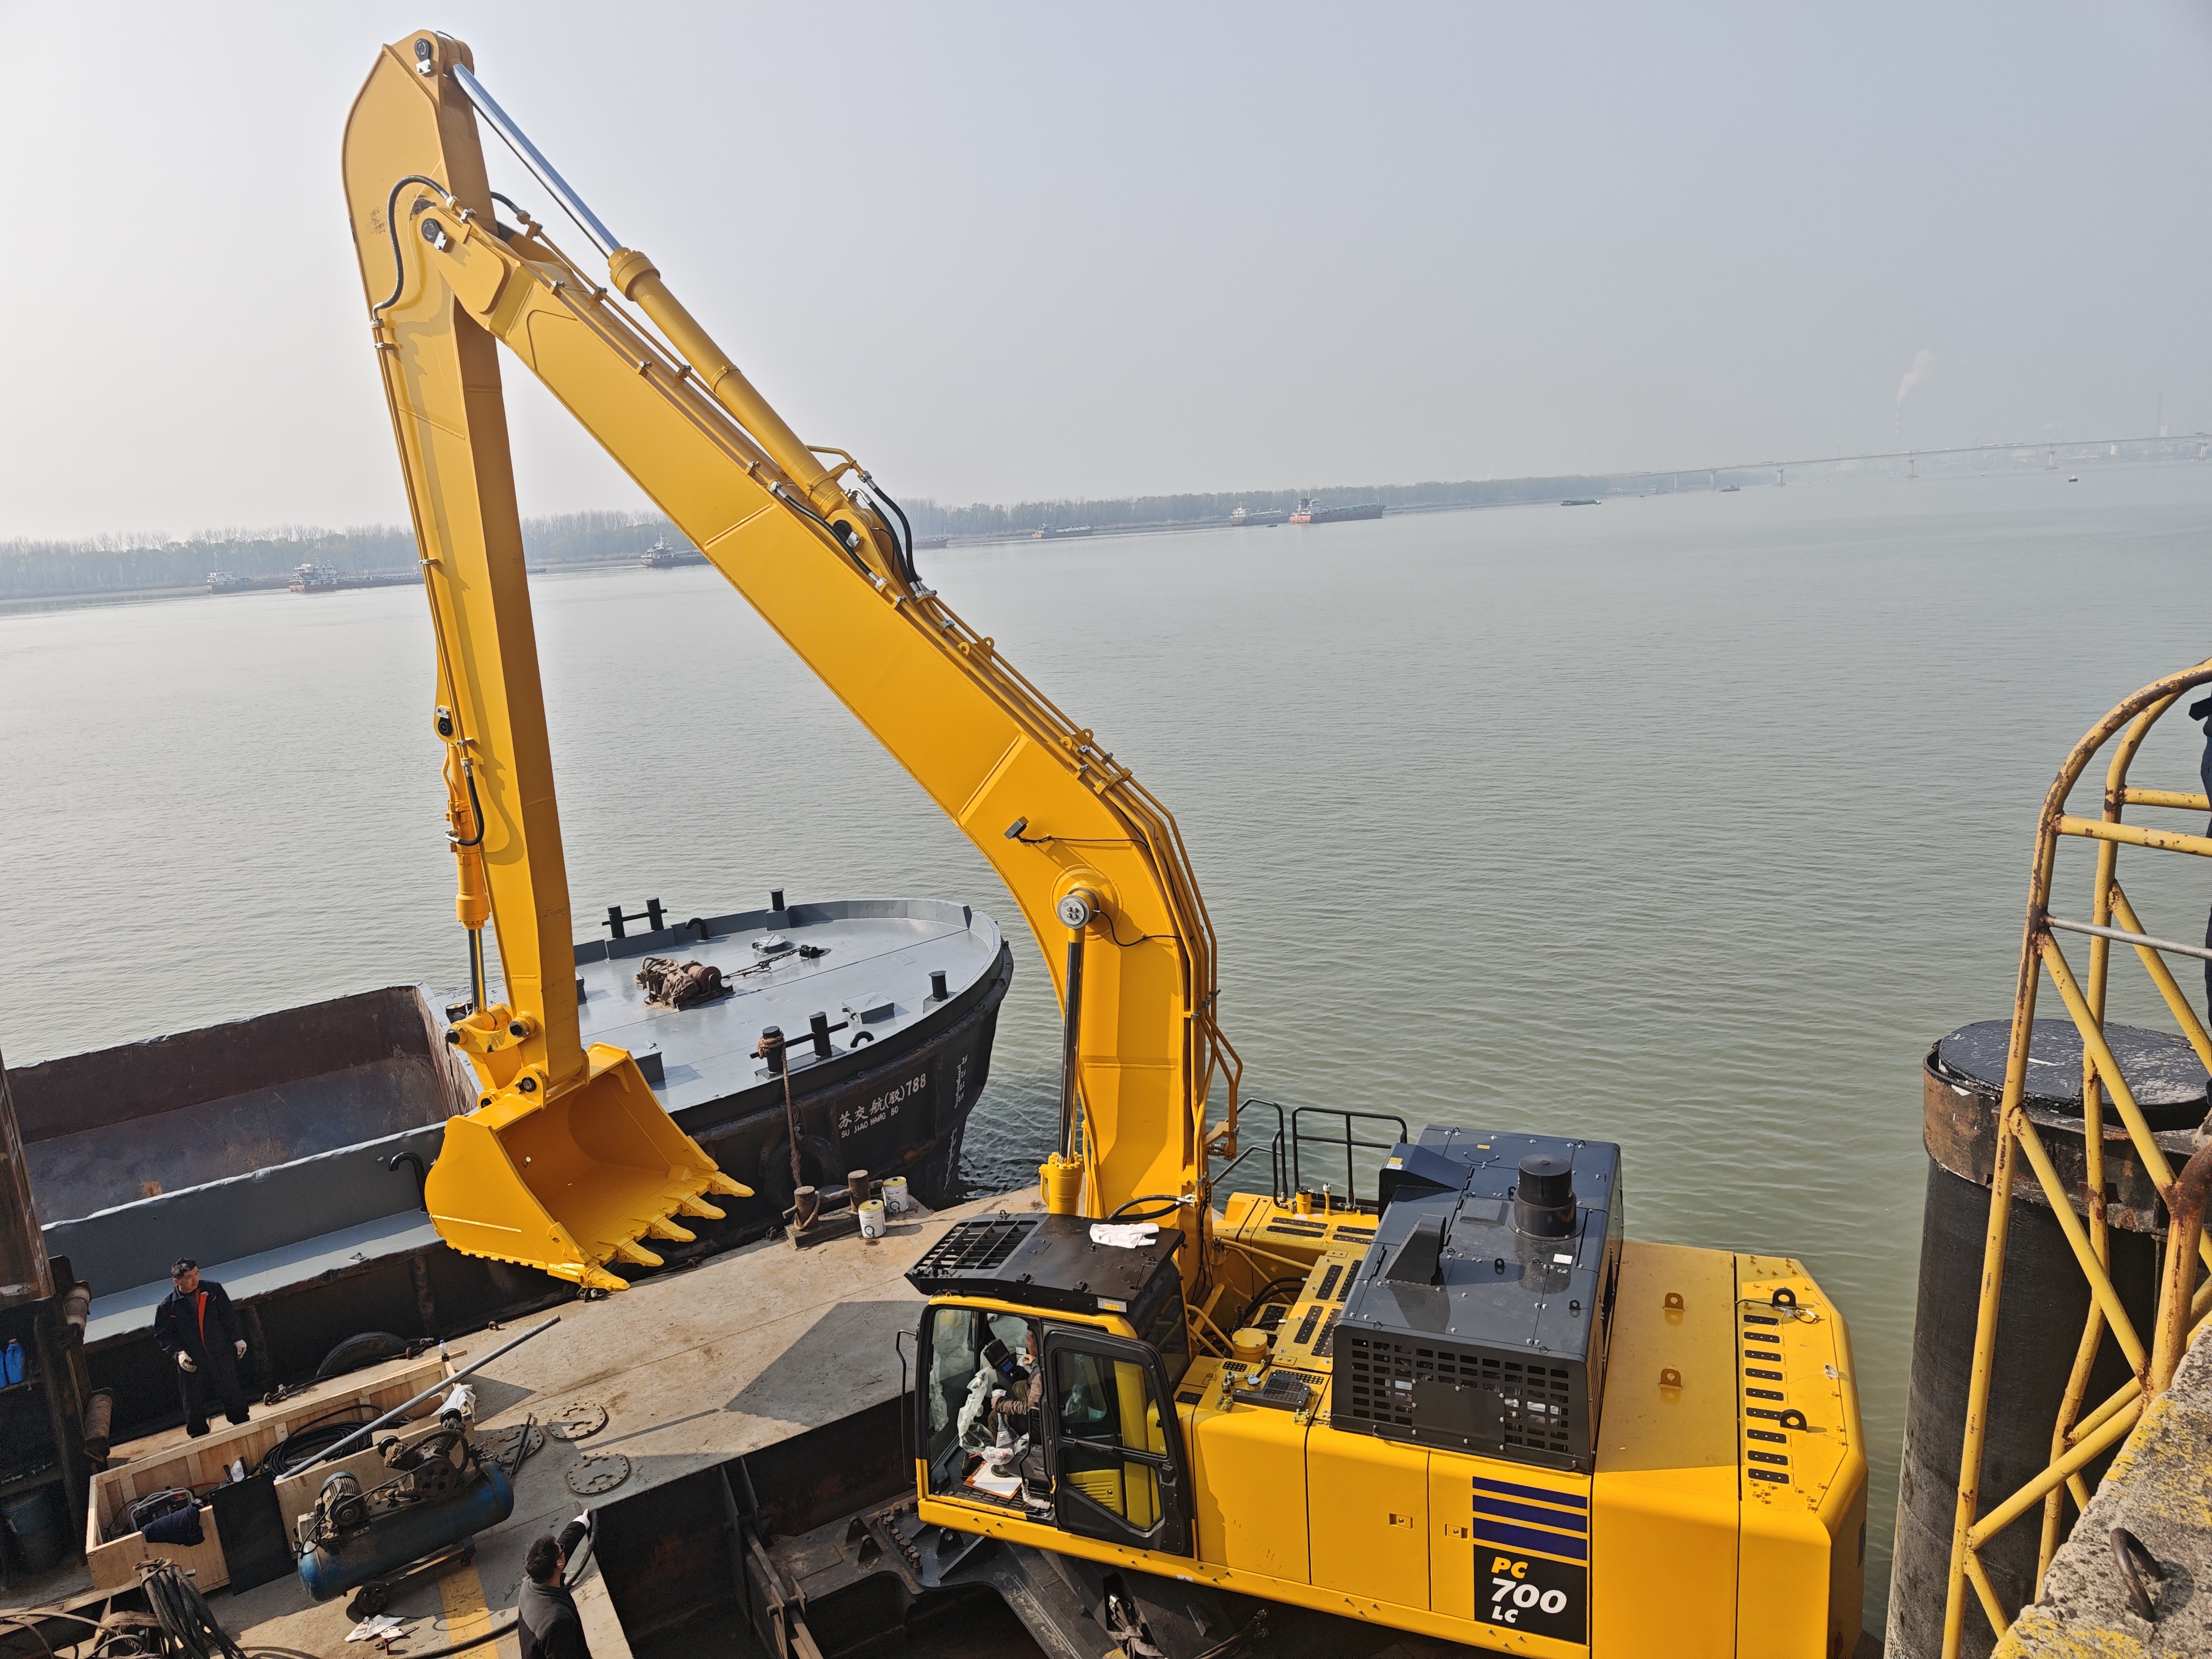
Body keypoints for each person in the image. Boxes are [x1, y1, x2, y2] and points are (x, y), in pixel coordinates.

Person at [152, 1259, 251, 1437]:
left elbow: (228, 1316)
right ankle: (199, 1437)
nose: (195, 1279)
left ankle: (243, 1427)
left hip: (219, 1353)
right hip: (192, 1361)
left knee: (232, 1393)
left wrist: (237, 1338)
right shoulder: (168, 1306)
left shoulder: (213, 1290)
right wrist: (179, 1354)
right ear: (177, 1281)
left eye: (197, 1274)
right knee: (193, 1402)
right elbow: (163, 1335)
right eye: (189, 1277)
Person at [518, 1532, 591, 1659]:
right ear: (559, 1563)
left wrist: (581, 1524)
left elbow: (565, 1546)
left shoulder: (528, 1587)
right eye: (561, 1548)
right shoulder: (557, 1621)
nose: (563, 1547)